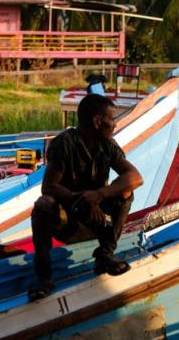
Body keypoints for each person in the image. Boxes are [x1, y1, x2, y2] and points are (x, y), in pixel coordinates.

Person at [29, 94, 143, 301]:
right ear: (97, 121)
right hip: (68, 221)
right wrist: (80, 199)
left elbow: (135, 177)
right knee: (43, 205)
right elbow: (48, 187)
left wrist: (98, 195)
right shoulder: (64, 143)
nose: (115, 124)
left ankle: (105, 256)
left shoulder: (108, 145)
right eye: (112, 119)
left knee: (126, 191)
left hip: (98, 221)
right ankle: (43, 277)